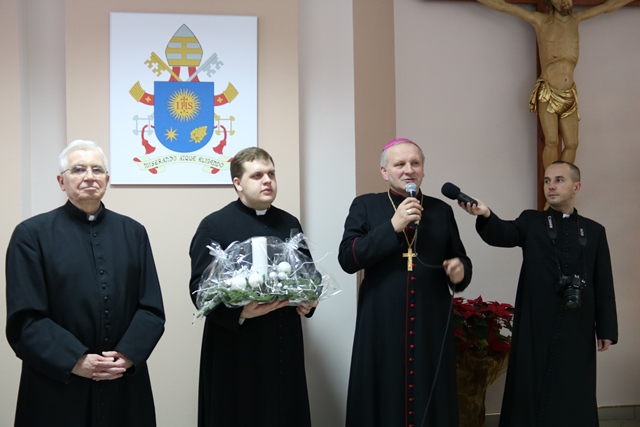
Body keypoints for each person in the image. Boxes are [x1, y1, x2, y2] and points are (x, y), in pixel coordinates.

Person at [5, 140, 166, 426]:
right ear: (61, 181)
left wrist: (127, 356)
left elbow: (151, 308)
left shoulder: (133, 232)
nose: (89, 176)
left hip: (121, 379)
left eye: (97, 169)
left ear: (107, 179)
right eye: (78, 169)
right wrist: (76, 361)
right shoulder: (31, 235)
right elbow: (25, 319)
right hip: (57, 384)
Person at [457, 160, 617, 427]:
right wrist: (486, 215)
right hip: (535, 323)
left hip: (578, 325)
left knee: (574, 386)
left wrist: (607, 328)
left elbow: (603, 281)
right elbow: (503, 234)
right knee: (530, 385)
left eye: (559, 180)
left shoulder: (594, 231)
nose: (551, 186)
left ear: (576, 186)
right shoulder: (531, 221)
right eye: (546, 181)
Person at [338, 138, 472, 427]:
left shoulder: (441, 210)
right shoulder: (365, 205)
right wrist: (392, 226)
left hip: (430, 321)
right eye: (399, 164)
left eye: (415, 163)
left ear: (423, 169)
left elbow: (459, 258)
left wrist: (459, 271)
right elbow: (348, 259)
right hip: (381, 321)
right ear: (385, 172)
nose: (409, 170)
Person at [189, 147, 317, 427]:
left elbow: (308, 275)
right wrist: (240, 312)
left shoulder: (289, 222)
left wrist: (310, 302)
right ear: (238, 183)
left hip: (283, 341)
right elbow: (199, 290)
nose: (267, 180)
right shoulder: (214, 226)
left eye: (271, 174)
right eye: (257, 175)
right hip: (237, 348)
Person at [475, 0, 634, 169]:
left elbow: (606, 7)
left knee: (572, 143)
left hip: (569, 92)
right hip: (548, 91)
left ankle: (562, 179)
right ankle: (550, 179)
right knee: (551, 140)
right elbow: (503, 6)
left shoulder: (576, 19)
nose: (565, 1)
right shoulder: (540, 21)